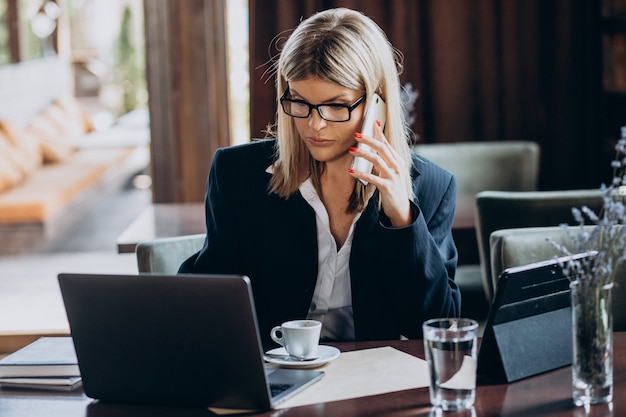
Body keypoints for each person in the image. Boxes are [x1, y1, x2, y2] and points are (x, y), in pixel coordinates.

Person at [179, 7, 461, 343]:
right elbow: (211, 300)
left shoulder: (431, 187)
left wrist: (403, 219)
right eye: (299, 102)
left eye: (336, 105)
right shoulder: (237, 174)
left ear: (377, 104)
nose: (315, 124)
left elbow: (436, 326)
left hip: (373, 380)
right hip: (275, 375)